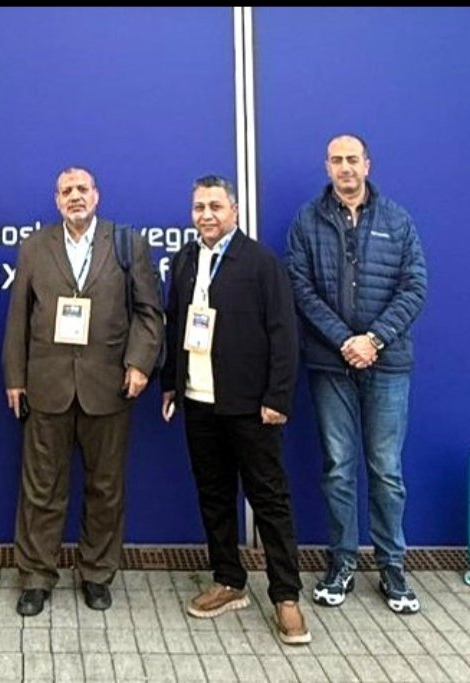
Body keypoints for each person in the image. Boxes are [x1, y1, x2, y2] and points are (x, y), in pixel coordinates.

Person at [2, 167, 163, 617]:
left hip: (109, 385)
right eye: (66, 191)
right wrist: (15, 377)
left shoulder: (128, 244)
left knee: (105, 488)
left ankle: (96, 573)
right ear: (57, 201)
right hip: (47, 385)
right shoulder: (35, 247)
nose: (75, 196)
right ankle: (36, 576)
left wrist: (139, 363)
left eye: (82, 189)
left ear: (97, 195)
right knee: (41, 489)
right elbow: (18, 317)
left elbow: (149, 313)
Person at [161, 175, 310, 644]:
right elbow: (175, 324)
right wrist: (171, 384)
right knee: (215, 495)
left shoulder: (261, 262)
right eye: (199, 207)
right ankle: (228, 580)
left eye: (215, 206)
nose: (206, 215)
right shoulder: (185, 260)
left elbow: (284, 334)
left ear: (235, 211)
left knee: (269, 500)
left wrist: (277, 398)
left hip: (250, 405)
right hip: (198, 400)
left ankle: (286, 596)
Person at [286, 134, 427, 614]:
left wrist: (375, 340)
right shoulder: (308, 220)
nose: (344, 167)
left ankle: (392, 567)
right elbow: (300, 287)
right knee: (339, 469)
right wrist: (345, 340)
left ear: (367, 164)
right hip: (331, 364)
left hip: (387, 364)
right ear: (326, 166)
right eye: (336, 160)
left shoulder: (397, 220)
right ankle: (342, 562)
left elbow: (415, 286)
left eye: (352, 159)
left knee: (386, 470)